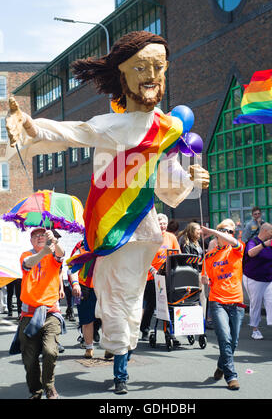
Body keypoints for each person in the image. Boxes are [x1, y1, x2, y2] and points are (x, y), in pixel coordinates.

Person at [6, 30, 209, 395]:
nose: (151, 75)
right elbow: (72, 132)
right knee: (114, 299)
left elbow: (165, 184)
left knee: (124, 299)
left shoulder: (168, 126)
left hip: (142, 229)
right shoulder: (111, 126)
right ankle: (120, 359)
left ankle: (120, 361)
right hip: (110, 228)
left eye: (158, 67)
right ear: (123, 76)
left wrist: (191, 178)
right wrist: (31, 127)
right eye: (141, 67)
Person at [18, 227, 65, 399]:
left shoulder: (53, 255)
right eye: (35, 236)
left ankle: (49, 386)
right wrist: (43, 252)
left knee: (50, 351)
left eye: (42, 235)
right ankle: (36, 390)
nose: (39, 237)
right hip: (29, 314)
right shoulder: (26, 255)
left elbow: (61, 254)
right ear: (31, 241)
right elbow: (28, 263)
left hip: (50, 312)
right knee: (29, 360)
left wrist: (55, 242)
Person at [200, 218, 245, 391]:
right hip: (217, 301)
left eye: (230, 232)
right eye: (224, 231)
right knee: (224, 338)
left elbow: (233, 241)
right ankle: (231, 376)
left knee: (233, 342)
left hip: (236, 301)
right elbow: (206, 278)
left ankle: (221, 365)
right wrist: (204, 279)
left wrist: (214, 232)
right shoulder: (210, 256)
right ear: (217, 237)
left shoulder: (236, 249)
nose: (228, 235)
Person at [242, 222, 272, 341]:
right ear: (265, 231)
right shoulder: (253, 242)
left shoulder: (269, 244)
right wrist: (263, 245)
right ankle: (255, 330)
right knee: (255, 304)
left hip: (267, 279)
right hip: (253, 278)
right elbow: (251, 253)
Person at [140, 213, 180, 341]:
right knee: (151, 305)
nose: (162, 226)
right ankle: (145, 329)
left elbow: (177, 254)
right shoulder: (150, 238)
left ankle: (170, 332)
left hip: (168, 276)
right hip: (152, 277)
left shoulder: (171, 237)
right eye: (160, 223)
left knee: (168, 305)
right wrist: (152, 270)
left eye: (164, 223)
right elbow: (144, 258)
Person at [67, 241, 102, 359]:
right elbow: (73, 268)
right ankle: (89, 347)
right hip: (84, 287)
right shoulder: (81, 248)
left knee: (107, 318)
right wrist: (75, 284)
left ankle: (109, 348)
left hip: (103, 287)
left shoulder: (107, 247)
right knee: (86, 320)